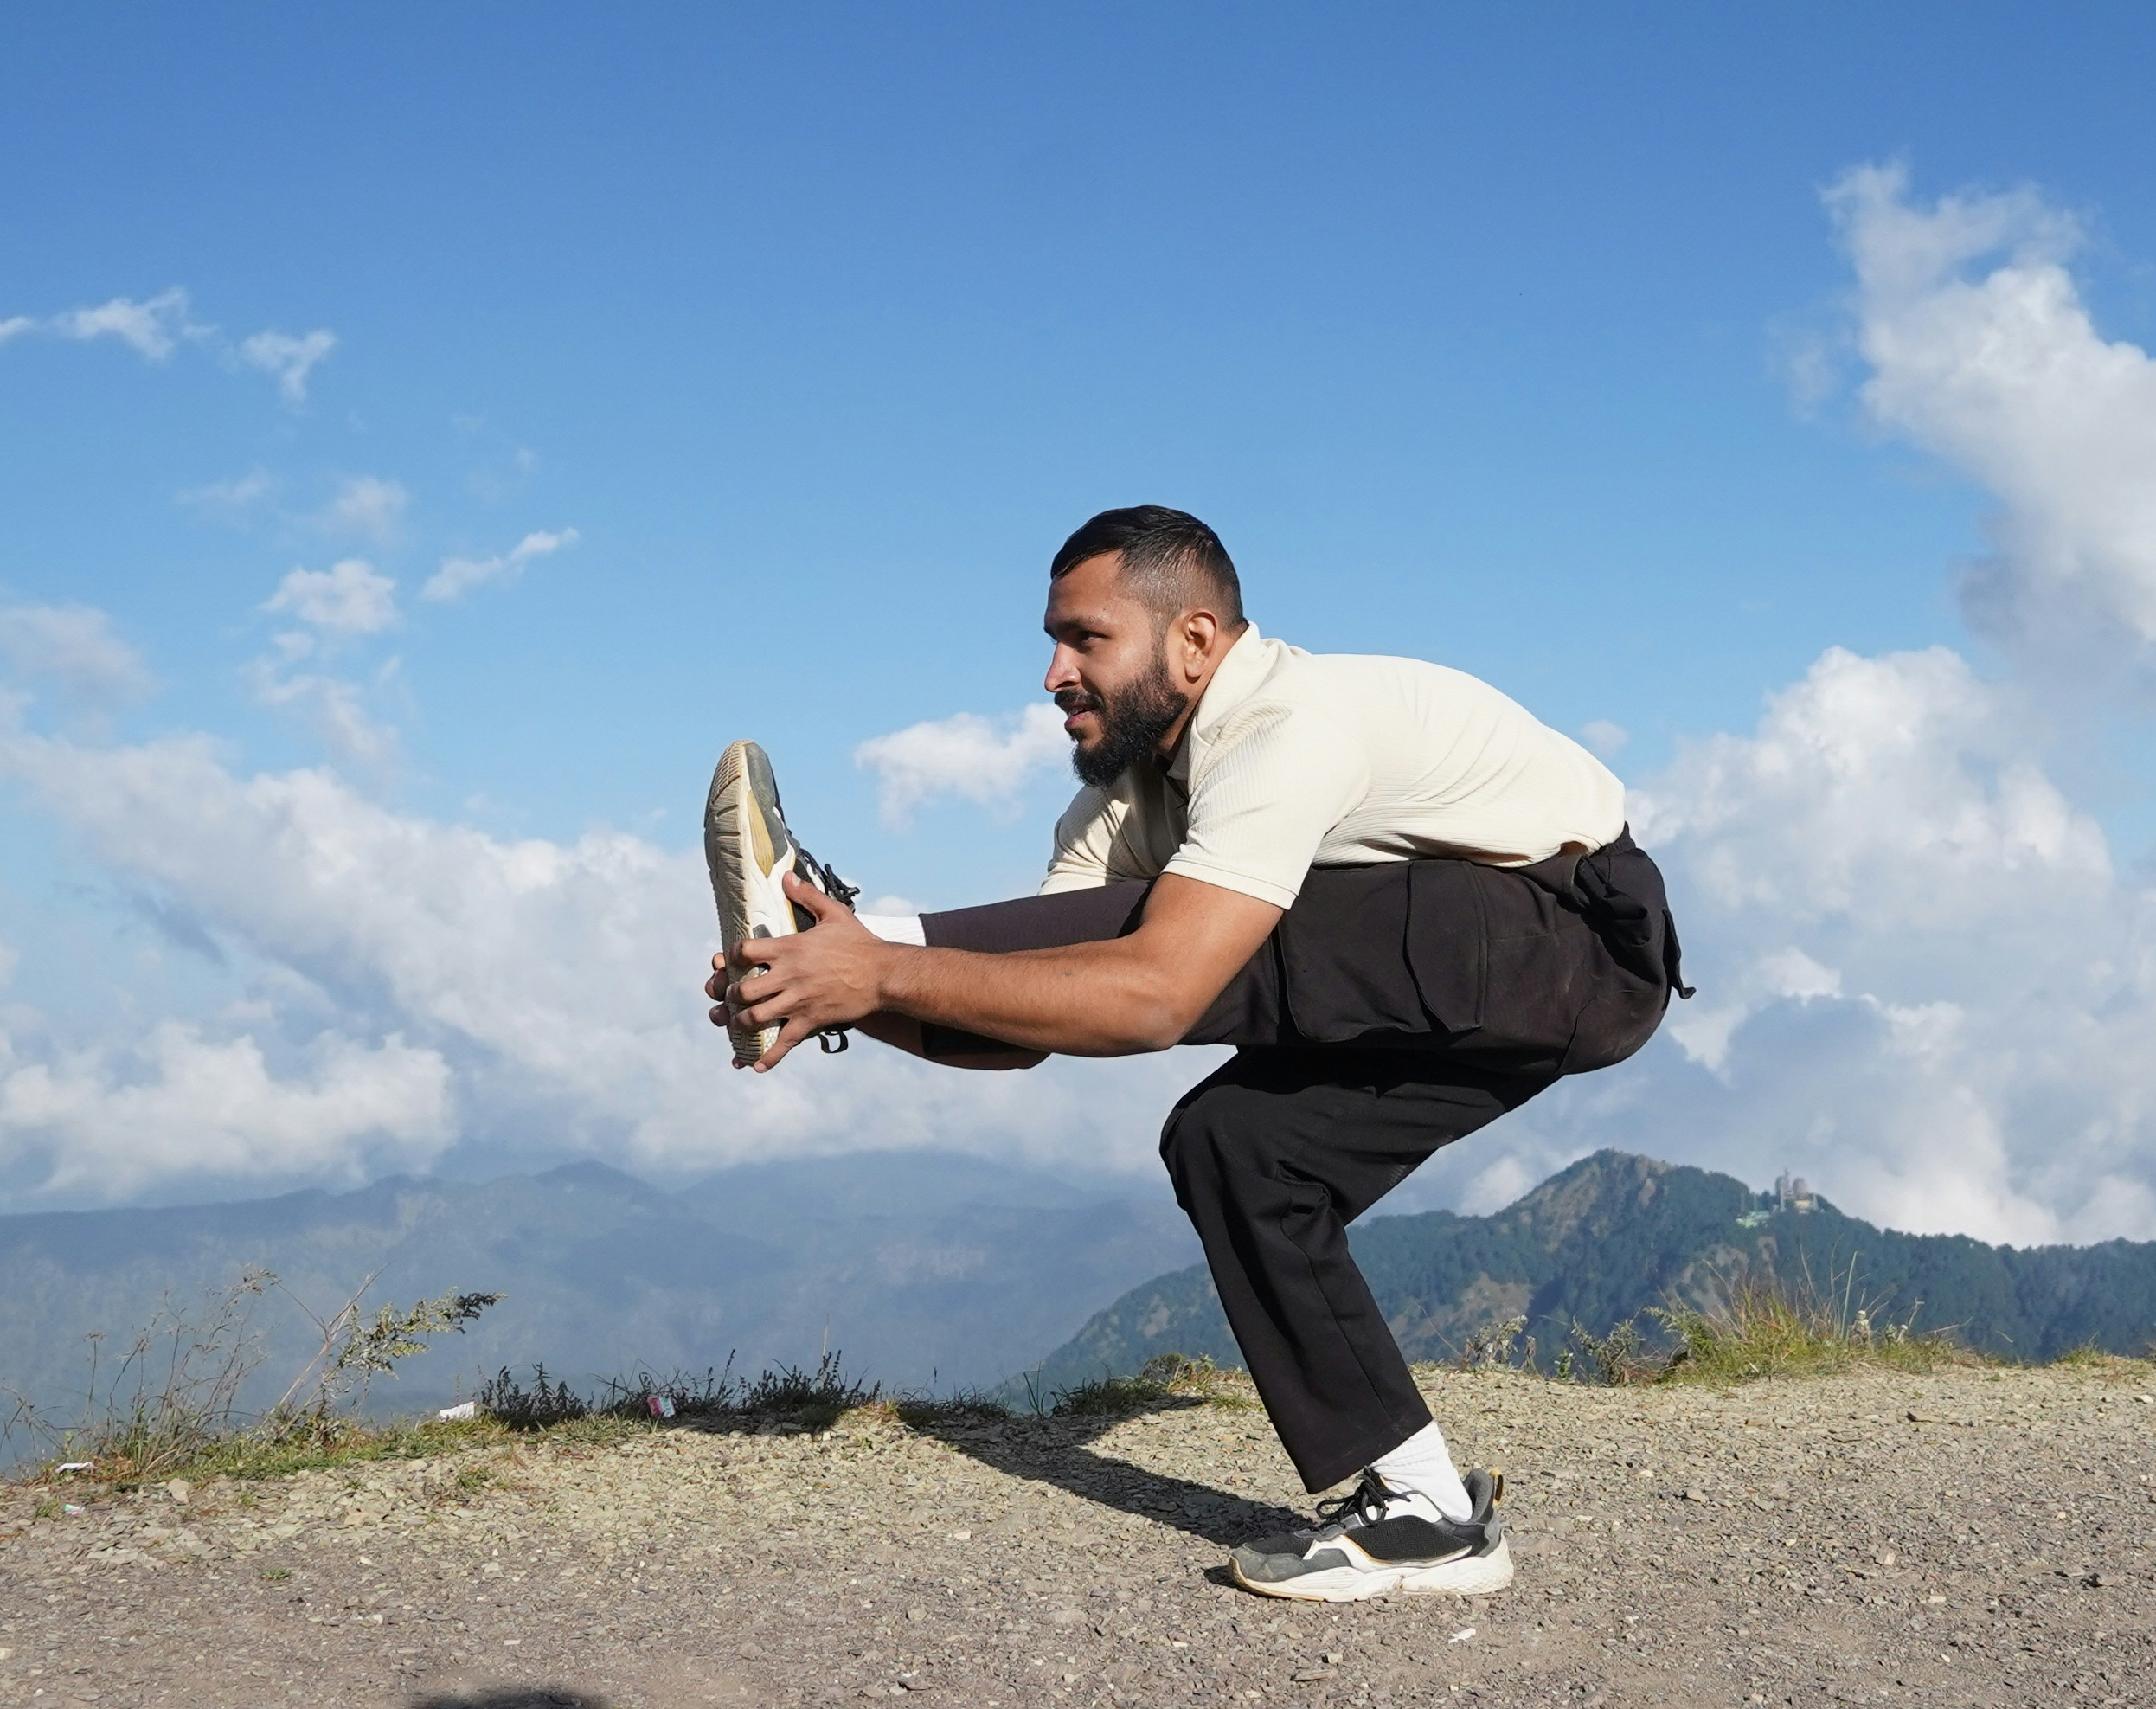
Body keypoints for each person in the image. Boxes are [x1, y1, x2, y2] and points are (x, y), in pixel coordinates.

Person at [701, 504, 1685, 1603]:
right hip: (1463, 986)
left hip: (1571, 941)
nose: (1052, 673)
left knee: (1208, 932)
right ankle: (1425, 1511)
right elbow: (1028, 1020)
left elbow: (1159, 993)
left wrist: (876, 962)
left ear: (1196, 641)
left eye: (1086, 638)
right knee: (1236, 1143)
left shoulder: (1286, 725)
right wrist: (835, 988)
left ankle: (842, 919)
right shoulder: (1117, 801)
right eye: (1052, 639)